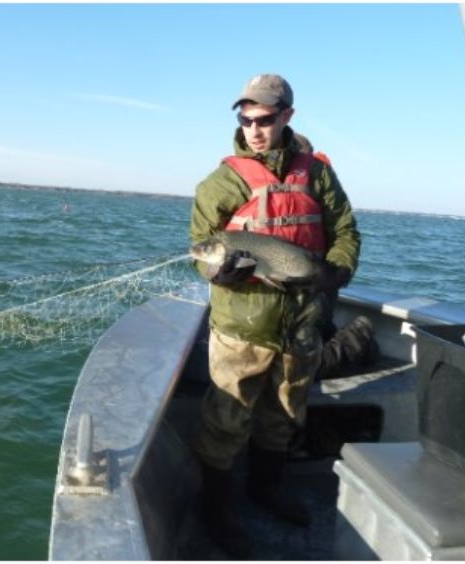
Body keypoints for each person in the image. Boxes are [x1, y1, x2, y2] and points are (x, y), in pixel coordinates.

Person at [189, 73, 361, 557]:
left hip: (302, 323)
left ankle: (267, 490)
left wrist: (334, 273)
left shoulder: (318, 174)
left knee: (284, 414)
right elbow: (198, 249)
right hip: (243, 327)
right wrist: (218, 273)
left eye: (264, 119)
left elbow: (346, 231)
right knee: (226, 419)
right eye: (246, 120)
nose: (254, 130)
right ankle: (216, 511)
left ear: (286, 116)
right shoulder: (220, 182)